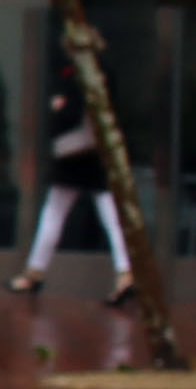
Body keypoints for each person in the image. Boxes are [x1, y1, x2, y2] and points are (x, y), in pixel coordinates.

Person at [10, 75, 120, 293]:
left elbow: (71, 114)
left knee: (57, 213)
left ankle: (34, 272)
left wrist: (60, 106)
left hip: (80, 156)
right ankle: (126, 272)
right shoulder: (92, 74)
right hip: (88, 156)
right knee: (109, 216)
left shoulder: (84, 77)